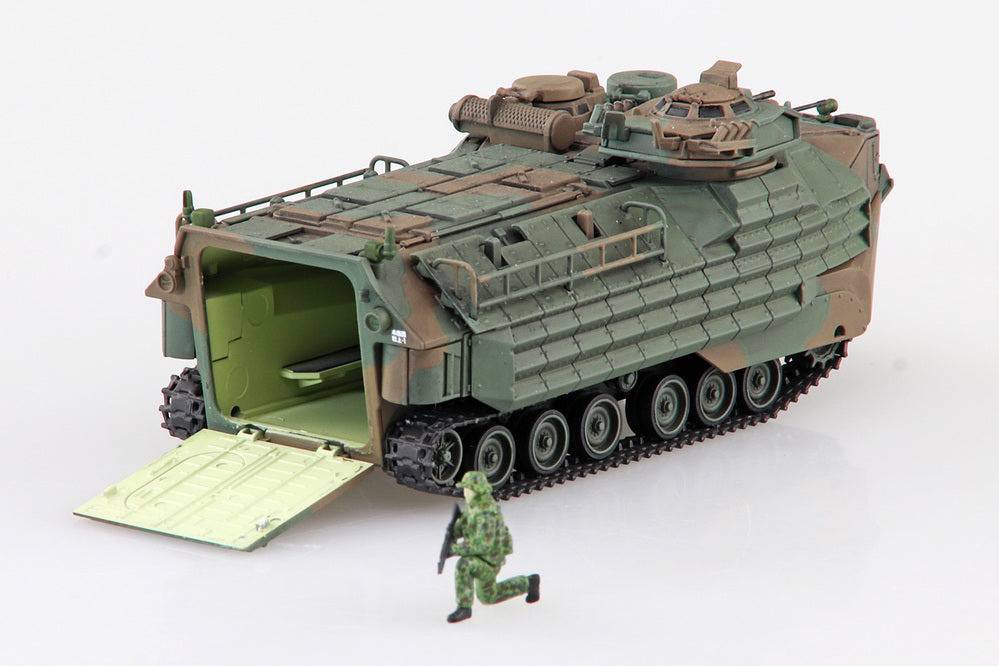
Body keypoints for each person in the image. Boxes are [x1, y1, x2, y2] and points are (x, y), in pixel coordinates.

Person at [445, 470, 540, 623]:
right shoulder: (475, 506)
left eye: (468, 489)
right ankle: (528, 583)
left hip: (489, 560)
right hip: (482, 556)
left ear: (477, 490)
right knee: (488, 596)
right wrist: (454, 531)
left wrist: (454, 550)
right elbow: (466, 524)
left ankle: (464, 608)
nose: (465, 493)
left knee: (464, 565)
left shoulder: (486, 514)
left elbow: (481, 546)